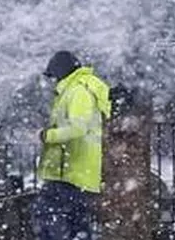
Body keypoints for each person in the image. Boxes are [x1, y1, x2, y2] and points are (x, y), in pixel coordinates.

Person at [32, 51, 111, 240]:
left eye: (53, 76)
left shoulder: (78, 91)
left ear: (61, 72)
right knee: (76, 225)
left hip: (70, 173)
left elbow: (78, 128)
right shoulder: (74, 90)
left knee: (49, 219)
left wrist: (47, 136)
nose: (52, 81)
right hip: (77, 174)